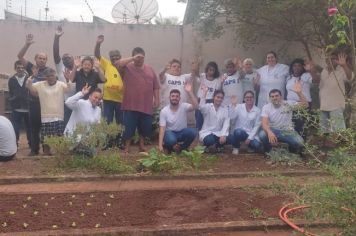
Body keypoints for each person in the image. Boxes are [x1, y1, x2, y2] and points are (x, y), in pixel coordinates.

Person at [114, 47, 160, 153]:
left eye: (141, 57)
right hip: (130, 104)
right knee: (128, 127)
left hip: (146, 104)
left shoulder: (150, 69)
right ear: (133, 57)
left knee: (144, 127)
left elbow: (156, 86)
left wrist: (157, 99)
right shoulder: (127, 67)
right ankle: (127, 146)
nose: (139, 59)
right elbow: (117, 64)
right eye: (137, 57)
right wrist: (132, 58)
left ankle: (142, 145)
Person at [26, 67, 71, 155]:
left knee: (59, 137)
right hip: (46, 116)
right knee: (46, 138)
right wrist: (32, 76)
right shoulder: (40, 84)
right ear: (45, 77)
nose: (50, 77)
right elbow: (28, 86)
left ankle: (60, 153)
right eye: (48, 76)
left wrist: (67, 79)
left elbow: (68, 89)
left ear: (55, 76)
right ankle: (46, 153)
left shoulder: (61, 84)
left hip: (59, 116)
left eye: (52, 75)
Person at [17, 34, 48, 156]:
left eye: (44, 58)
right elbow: (20, 56)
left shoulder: (49, 71)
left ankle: (46, 149)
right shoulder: (31, 67)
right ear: (35, 59)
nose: (42, 60)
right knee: (34, 127)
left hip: (45, 104)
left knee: (45, 128)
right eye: (40, 58)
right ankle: (34, 150)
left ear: (46, 60)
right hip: (33, 103)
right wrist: (27, 44)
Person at [258, 83, 307, 154]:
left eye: (277, 96)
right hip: (273, 130)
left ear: (281, 96)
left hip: (287, 131)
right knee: (262, 134)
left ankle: (291, 150)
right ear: (270, 98)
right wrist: (269, 132)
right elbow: (264, 124)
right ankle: (268, 151)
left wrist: (299, 93)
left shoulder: (288, 104)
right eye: (272, 96)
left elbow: (305, 105)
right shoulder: (266, 107)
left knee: (300, 142)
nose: (275, 98)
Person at [315, 52, 353, 133]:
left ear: (338, 60)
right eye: (329, 58)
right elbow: (321, 86)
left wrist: (344, 65)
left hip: (336, 105)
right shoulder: (324, 71)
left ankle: (342, 145)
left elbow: (350, 77)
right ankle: (327, 144)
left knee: (339, 130)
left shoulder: (341, 70)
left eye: (333, 59)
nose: (331, 60)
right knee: (324, 130)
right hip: (323, 105)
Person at [158, 82, 198, 153]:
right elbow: (162, 128)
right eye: (173, 96)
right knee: (171, 140)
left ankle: (182, 148)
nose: (175, 98)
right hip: (170, 133)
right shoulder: (164, 111)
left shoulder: (184, 106)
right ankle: (169, 146)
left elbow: (196, 106)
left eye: (177, 96)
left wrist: (190, 92)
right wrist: (160, 145)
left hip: (182, 132)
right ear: (169, 97)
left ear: (179, 98)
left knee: (193, 132)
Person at [94, 34, 124, 124]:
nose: (114, 57)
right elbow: (97, 55)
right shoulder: (107, 64)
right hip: (108, 99)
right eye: (112, 56)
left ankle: (119, 137)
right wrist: (98, 44)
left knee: (120, 122)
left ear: (120, 56)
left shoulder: (124, 65)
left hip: (121, 99)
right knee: (107, 121)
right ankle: (108, 138)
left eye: (116, 55)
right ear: (109, 58)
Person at [53, 26, 76, 126]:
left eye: (68, 57)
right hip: (65, 103)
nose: (66, 59)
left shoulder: (78, 69)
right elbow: (56, 53)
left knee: (77, 126)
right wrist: (57, 37)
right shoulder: (60, 68)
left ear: (73, 59)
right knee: (66, 125)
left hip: (77, 102)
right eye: (64, 58)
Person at [227, 91, 262, 155]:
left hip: (249, 133)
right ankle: (236, 147)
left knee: (257, 145)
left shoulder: (257, 110)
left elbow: (257, 126)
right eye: (247, 97)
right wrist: (233, 105)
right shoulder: (239, 106)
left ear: (254, 98)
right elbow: (232, 117)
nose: (249, 99)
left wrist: (249, 138)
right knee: (238, 132)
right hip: (238, 132)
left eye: (251, 97)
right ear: (244, 99)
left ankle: (249, 146)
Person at [286, 58, 313, 135]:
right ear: (292, 67)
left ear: (303, 67)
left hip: (303, 104)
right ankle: (294, 145)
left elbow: (316, 80)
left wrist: (311, 70)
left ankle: (302, 145)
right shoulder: (289, 78)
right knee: (292, 126)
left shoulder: (306, 75)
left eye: (299, 66)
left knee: (301, 127)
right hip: (290, 105)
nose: (296, 67)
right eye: (294, 66)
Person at [199, 88, 230, 153]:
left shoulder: (225, 109)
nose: (219, 99)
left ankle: (211, 147)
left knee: (231, 138)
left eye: (221, 98)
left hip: (219, 133)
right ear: (213, 97)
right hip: (207, 133)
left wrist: (223, 135)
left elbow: (226, 123)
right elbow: (201, 107)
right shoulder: (208, 107)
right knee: (210, 140)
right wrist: (204, 93)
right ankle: (216, 147)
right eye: (218, 97)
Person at [8, 60, 31, 147]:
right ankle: (15, 144)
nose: (20, 69)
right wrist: (13, 99)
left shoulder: (29, 78)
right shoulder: (11, 80)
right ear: (15, 68)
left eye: (22, 67)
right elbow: (11, 92)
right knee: (15, 127)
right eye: (18, 67)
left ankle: (31, 144)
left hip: (28, 107)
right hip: (16, 107)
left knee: (29, 127)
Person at [195, 61, 222, 130]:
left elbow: (218, 90)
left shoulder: (217, 79)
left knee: (209, 118)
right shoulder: (202, 76)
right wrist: (197, 64)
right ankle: (198, 133)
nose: (211, 72)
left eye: (213, 70)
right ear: (207, 69)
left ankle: (207, 132)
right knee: (199, 117)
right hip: (201, 99)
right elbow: (196, 73)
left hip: (211, 100)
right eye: (209, 69)